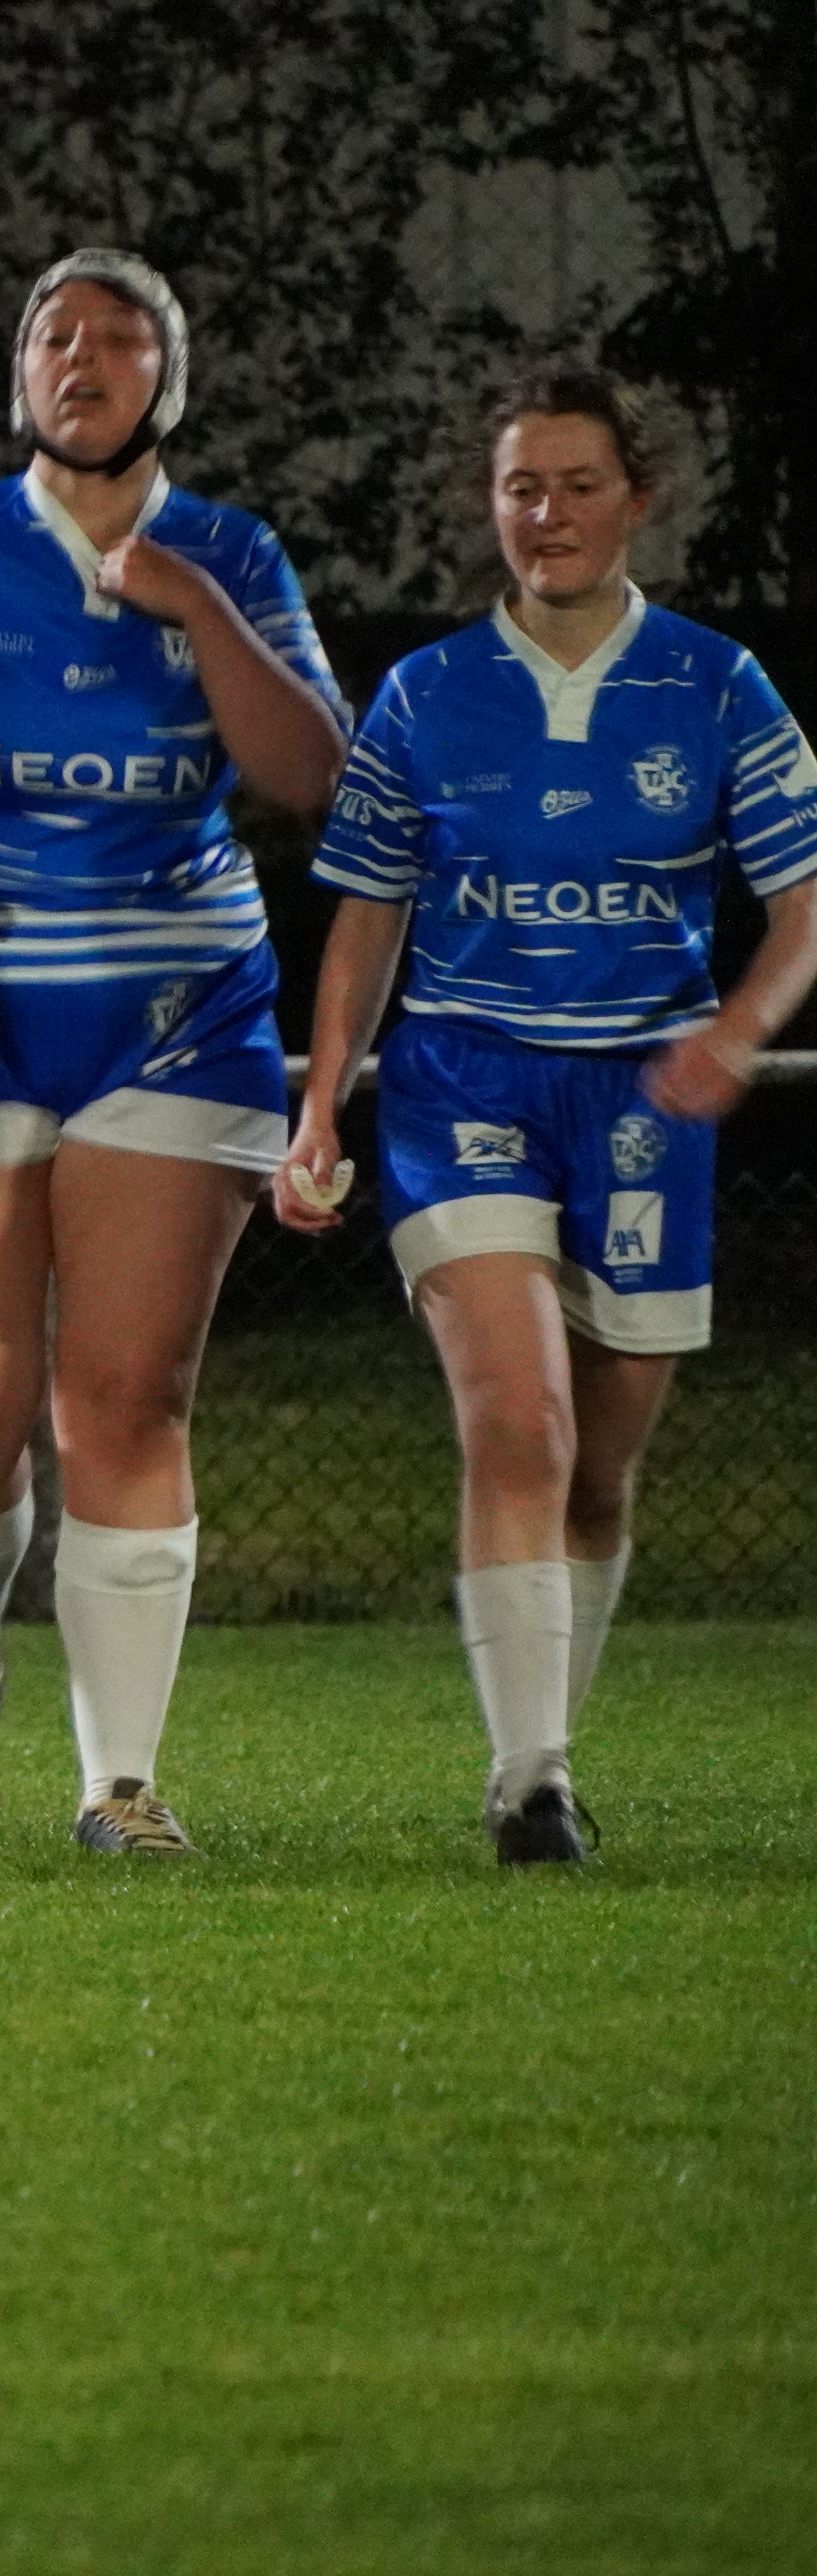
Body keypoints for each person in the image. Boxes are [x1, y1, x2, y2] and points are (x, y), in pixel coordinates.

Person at [0, 249, 346, 1857]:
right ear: (19, 374)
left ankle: (121, 1781)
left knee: (124, 1398)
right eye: (53, 333)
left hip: (174, 1012)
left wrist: (198, 610)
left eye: (119, 338)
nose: (81, 357)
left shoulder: (229, 552)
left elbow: (317, 776)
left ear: (168, 381)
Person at [284, 362, 816, 1864]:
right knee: (519, 1416)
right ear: (492, 507)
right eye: (524, 486)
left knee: (601, 1465)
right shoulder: (429, 694)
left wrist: (738, 1032)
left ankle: (547, 1750)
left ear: (637, 500)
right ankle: (533, 1781)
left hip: (649, 1099)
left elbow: (805, 911)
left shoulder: (715, 687)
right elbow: (367, 921)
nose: (551, 513)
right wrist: (323, 1103)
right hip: (464, 1083)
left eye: (581, 485)